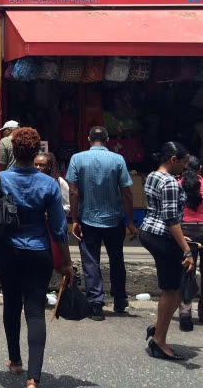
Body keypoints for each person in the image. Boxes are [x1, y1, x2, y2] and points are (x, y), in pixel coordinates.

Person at [0, 127, 74, 388]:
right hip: (38, 253)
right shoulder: (49, 184)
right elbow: (58, 228)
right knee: (34, 312)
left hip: (7, 252)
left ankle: (15, 361)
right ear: (36, 152)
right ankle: (33, 378)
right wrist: (67, 263)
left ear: (12, 150)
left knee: (11, 304)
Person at [66, 126, 137, 321]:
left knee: (91, 261)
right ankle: (120, 299)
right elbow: (127, 192)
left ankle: (96, 303)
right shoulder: (118, 159)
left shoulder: (77, 159)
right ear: (107, 140)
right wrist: (130, 221)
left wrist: (75, 220)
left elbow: (73, 192)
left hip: (88, 219)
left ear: (89, 139)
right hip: (114, 219)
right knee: (117, 259)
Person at [139, 142, 194, 360]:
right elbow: (171, 219)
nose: (185, 167)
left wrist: (180, 238)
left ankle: (158, 328)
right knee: (172, 290)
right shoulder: (170, 182)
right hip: (162, 235)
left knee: (175, 289)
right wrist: (186, 249)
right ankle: (159, 340)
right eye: (184, 162)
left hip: (151, 231)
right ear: (173, 159)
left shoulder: (153, 175)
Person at [177, 155, 203, 331]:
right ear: (200, 168)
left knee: (187, 271)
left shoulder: (177, 185)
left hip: (185, 231)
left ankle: (185, 313)